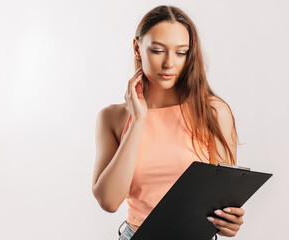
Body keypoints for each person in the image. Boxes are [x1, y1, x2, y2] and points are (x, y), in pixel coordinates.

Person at [92, 5, 245, 240]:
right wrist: (138, 120)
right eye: (157, 50)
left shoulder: (213, 112)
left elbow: (222, 203)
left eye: (181, 52)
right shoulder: (112, 117)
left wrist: (229, 222)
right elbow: (109, 201)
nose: (169, 64)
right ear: (137, 48)